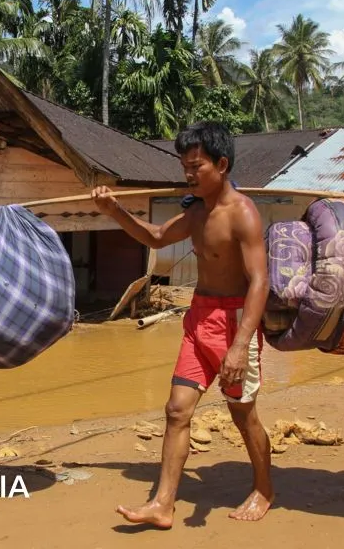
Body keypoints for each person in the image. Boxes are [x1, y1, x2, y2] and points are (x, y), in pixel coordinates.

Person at [91, 121, 272, 526]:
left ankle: (264, 489)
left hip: (235, 323)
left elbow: (260, 281)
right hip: (198, 319)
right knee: (176, 410)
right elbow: (157, 237)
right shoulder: (196, 212)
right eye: (184, 167)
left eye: (196, 166)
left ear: (221, 164)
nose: (188, 174)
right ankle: (163, 504)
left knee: (243, 416)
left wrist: (240, 345)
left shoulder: (243, 213)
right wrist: (114, 210)